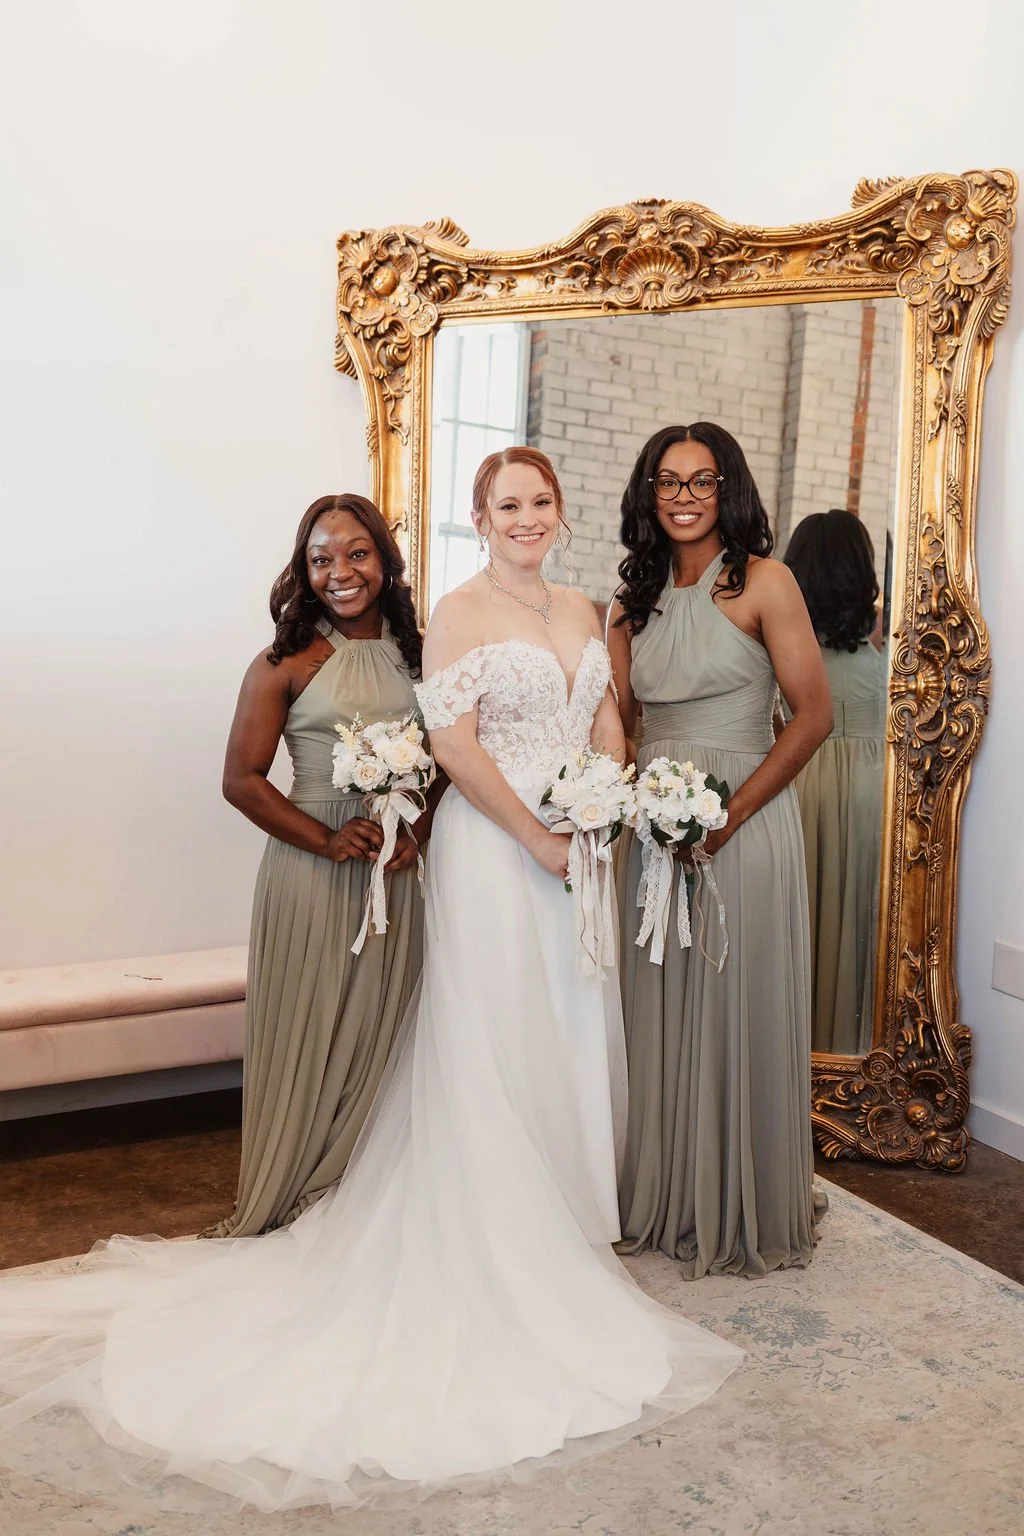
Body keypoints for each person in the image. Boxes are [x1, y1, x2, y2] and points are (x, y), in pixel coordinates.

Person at [0, 450, 739, 1514]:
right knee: (492, 1028)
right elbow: (454, 747)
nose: (525, 518)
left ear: (560, 511)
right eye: (506, 504)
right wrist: (537, 835)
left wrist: (605, 806)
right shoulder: (458, 613)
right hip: (501, 850)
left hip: (581, 846)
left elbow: (606, 719)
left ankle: (575, 1215)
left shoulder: (584, 609)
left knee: (572, 1017)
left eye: (539, 502)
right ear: (478, 516)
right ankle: (504, 1233)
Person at [607, 423, 833, 1279]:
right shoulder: (629, 603)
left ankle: (740, 1199)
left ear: (728, 489)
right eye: (668, 481)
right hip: (653, 830)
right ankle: (664, 1191)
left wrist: (729, 815)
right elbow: (623, 730)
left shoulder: (766, 582)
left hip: (745, 817)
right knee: (658, 1000)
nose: (684, 497)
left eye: (702, 481)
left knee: (735, 997)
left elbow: (814, 716)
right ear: (648, 494)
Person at [207, 494, 431, 1237]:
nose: (341, 572)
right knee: (310, 1029)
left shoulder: (422, 653)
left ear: (384, 560)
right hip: (311, 871)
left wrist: (419, 826)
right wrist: (325, 838)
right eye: (321, 559)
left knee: (382, 1033)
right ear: (302, 571)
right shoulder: (285, 661)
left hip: (395, 872)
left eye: (357, 553)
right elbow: (241, 779)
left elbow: (451, 759)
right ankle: (292, 1190)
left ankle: (360, 1200)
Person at [783, 509, 887, 1056]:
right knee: (855, 922)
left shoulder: (782, 655)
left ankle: (797, 1047)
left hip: (800, 787)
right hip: (872, 796)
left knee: (804, 919)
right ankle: (848, 1049)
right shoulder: (886, 660)